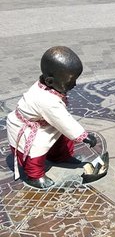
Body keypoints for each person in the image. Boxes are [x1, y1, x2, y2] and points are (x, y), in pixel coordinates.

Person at [7, 46, 100, 189]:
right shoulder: (46, 101)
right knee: (35, 152)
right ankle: (35, 176)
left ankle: (60, 156)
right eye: (69, 82)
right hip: (28, 128)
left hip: (44, 122)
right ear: (50, 81)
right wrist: (83, 136)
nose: (74, 84)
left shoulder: (47, 85)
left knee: (61, 138)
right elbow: (64, 120)